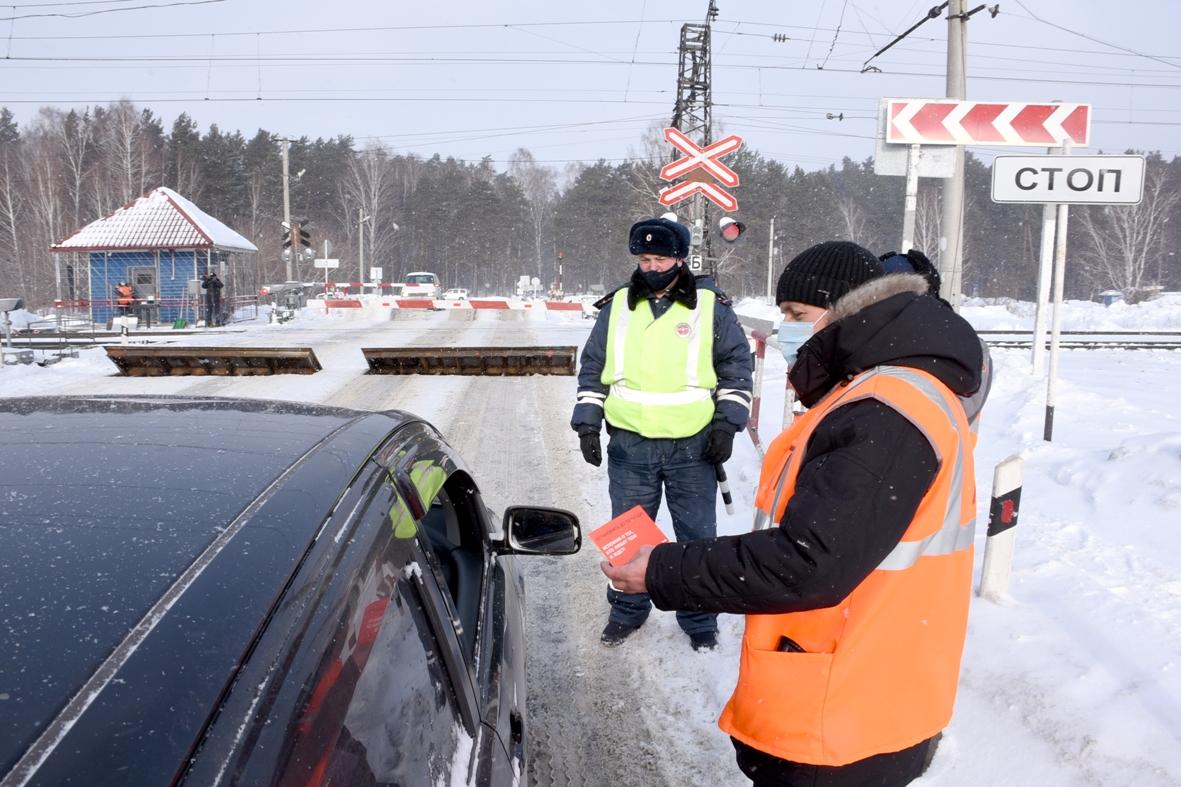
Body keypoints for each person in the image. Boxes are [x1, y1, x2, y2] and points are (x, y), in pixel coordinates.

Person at [602, 240, 984, 786]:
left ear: (850, 311)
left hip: (844, 716)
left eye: (797, 316)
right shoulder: (889, 389)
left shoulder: (883, 411)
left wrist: (662, 569)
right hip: (861, 687)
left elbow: (808, 561)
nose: (786, 330)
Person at [572, 216, 754, 651]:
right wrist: (587, 421)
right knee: (629, 539)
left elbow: (736, 368)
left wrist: (728, 425)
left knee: (696, 538)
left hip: (694, 445)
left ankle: (699, 620)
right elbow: (594, 367)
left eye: (661, 258)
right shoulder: (617, 306)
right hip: (630, 445)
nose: (652, 267)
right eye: (645, 258)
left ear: (680, 259)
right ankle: (628, 612)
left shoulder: (710, 306)